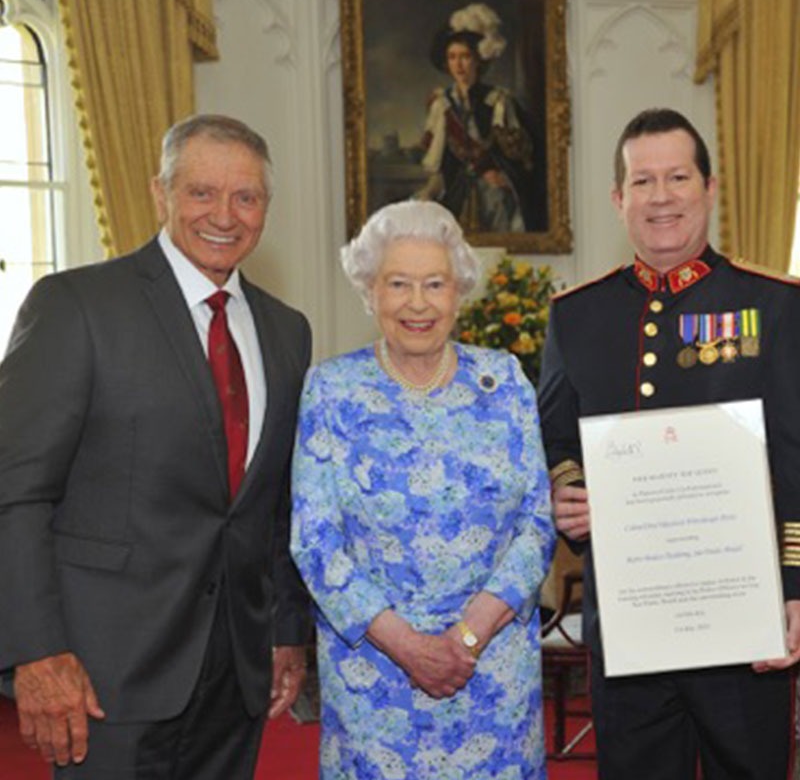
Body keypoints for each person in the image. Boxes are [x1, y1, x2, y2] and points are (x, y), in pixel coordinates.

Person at [0, 114, 312, 779]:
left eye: (246, 197)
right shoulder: (76, 306)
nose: (224, 214)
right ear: (160, 193)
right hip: (105, 672)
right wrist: (35, 650)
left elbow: (277, 503)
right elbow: (15, 493)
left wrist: (286, 630)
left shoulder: (288, 332)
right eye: (201, 192)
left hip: (236, 672)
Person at [539, 107, 800, 779]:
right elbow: (558, 436)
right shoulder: (576, 315)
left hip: (747, 626)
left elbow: (796, 456)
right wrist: (570, 493)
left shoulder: (776, 306)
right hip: (630, 626)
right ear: (618, 199)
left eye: (678, 177)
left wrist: (797, 584)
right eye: (643, 180)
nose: (661, 197)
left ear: (710, 189)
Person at [290, 199, 555, 779]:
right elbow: (314, 541)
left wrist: (466, 636)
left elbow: (537, 524)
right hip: (374, 677)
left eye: (434, 283)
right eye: (398, 284)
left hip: (492, 668)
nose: (417, 303)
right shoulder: (332, 391)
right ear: (370, 292)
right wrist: (409, 647)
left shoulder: (504, 381)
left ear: (459, 291)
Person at [417, 3, 543, 233]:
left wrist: (504, 177)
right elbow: (439, 160)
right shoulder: (441, 104)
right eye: (452, 57)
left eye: (465, 56)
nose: (458, 64)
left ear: (478, 60)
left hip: (492, 192)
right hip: (455, 191)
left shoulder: (498, 101)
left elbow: (520, 155)